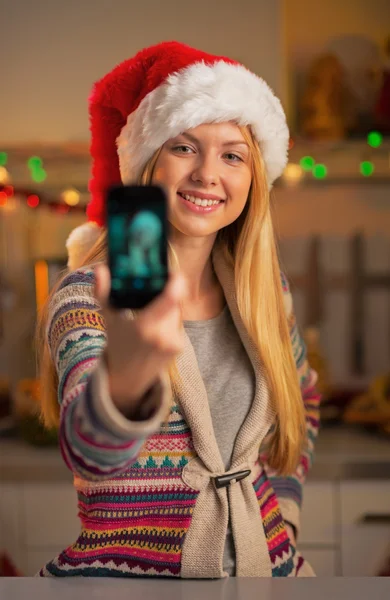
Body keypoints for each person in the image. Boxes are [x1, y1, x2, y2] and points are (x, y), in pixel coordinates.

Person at [37, 41, 320, 578]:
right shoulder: (89, 295)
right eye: (184, 148)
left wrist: (282, 513)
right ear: (149, 163)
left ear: (253, 178)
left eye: (232, 155)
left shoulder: (266, 292)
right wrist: (126, 381)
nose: (208, 174)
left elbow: (302, 399)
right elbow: (89, 453)